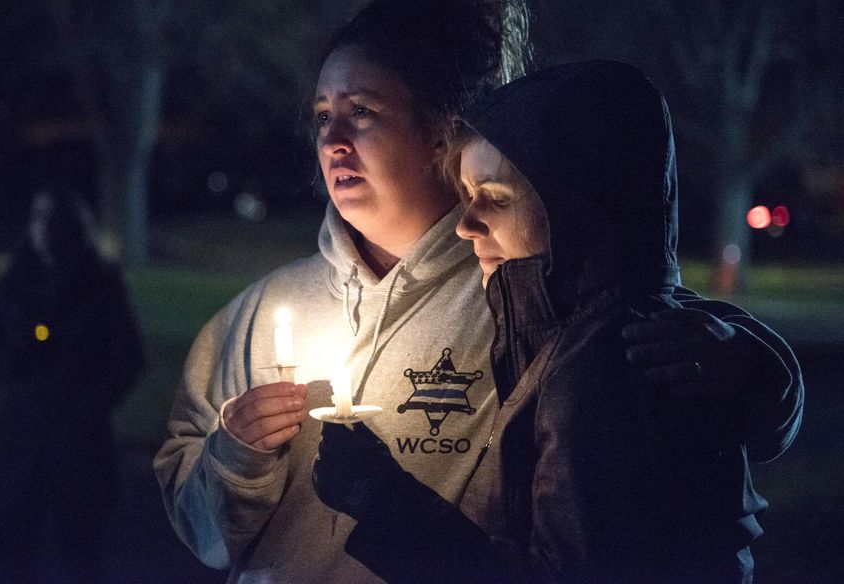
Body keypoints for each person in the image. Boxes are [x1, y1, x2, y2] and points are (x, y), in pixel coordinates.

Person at [154, 2, 801, 582]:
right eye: (322, 114)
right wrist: (233, 456)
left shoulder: (529, 303)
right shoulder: (256, 319)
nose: (333, 139)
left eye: (363, 112)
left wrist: (765, 379)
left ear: (440, 129)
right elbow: (204, 539)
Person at [311, 61, 804, 583]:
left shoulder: (607, 362)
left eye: (495, 200)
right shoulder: (599, 327)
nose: (465, 225)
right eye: (467, 196)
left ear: (582, 208)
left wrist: (385, 501)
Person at [0, 188, 145, 584]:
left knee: (80, 546)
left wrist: (89, 403)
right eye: (41, 218)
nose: (50, 230)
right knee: (12, 544)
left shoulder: (100, 288)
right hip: (20, 438)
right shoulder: (14, 287)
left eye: (60, 220)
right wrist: (17, 354)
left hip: (78, 436)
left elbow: (127, 357)